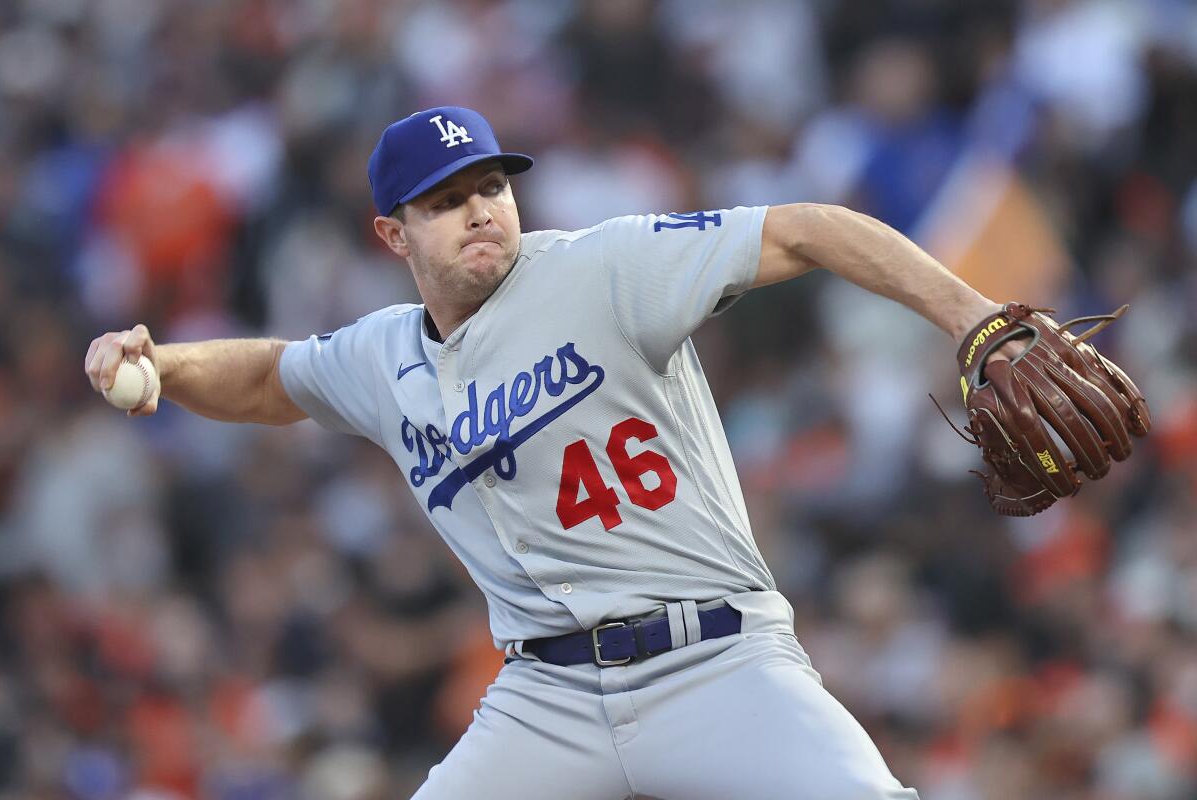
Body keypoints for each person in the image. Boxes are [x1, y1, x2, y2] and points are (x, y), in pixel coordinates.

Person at [86, 106, 1001, 799]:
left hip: (715, 660)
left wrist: (975, 318)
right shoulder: (381, 355)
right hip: (545, 695)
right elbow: (267, 376)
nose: (481, 211)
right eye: (447, 202)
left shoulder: (600, 267)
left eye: (491, 186)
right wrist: (159, 362)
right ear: (393, 235)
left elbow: (807, 228)